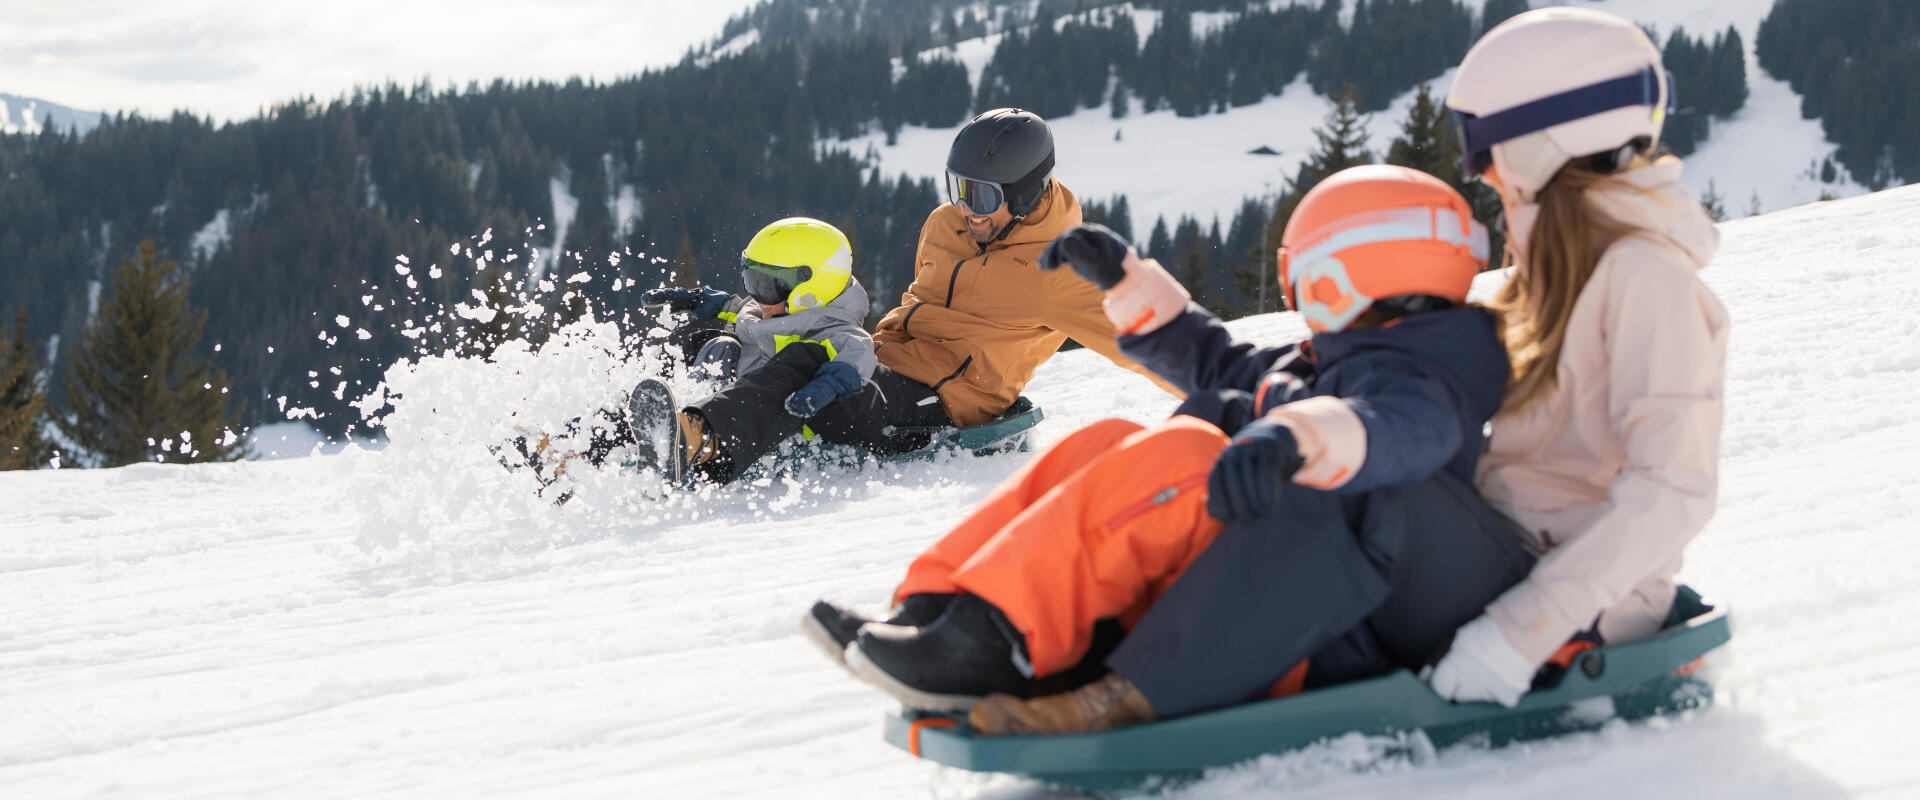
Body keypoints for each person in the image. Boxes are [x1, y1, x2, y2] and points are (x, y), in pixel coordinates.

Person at [954, 6, 1728, 734]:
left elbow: (1671, 494)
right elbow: (1251, 373)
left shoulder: (1644, 279)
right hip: (1489, 553)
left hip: (1567, 600)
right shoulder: (1566, 272)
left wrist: (1516, 638)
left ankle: (1128, 700)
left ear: (1551, 138)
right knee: (1265, 446)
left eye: (1491, 149)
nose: (1485, 175)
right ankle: (1084, 652)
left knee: (1350, 485)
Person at [806, 166, 1533, 725]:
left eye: (1305, 271)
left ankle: (1000, 637)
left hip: (1322, 628)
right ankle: (940, 609)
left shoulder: (1428, 376)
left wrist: (1292, 436)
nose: (1299, 291)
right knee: (1111, 439)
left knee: (1187, 457)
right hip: (1279, 596)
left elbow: (1400, 432)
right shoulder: (1342, 359)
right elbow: (1225, 366)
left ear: (1359, 270)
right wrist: (1128, 285)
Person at [641, 107, 1177, 484]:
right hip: (878, 361)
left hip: (940, 402)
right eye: (957, 187)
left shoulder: (1062, 271)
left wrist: (1237, 396)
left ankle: (700, 441)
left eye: (981, 195)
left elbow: (1155, 345)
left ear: (1026, 191)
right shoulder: (946, 225)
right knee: (726, 339)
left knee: (804, 361)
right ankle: (597, 434)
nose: (965, 207)